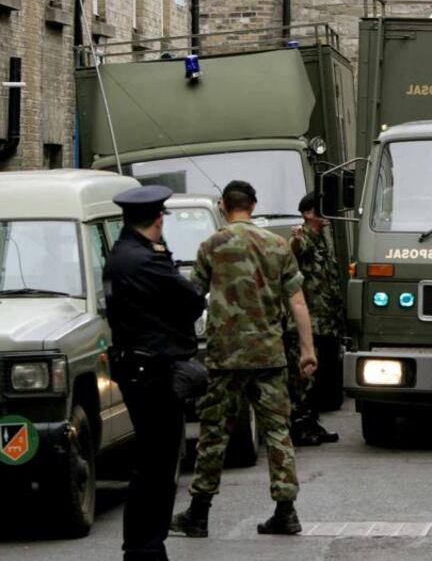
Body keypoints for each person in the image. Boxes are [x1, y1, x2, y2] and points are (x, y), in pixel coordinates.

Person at [171, 181, 318, 536]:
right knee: (278, 432)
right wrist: (308, 350)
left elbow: (194, 299)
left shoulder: (212, 246)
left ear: (223, 206)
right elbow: (296, 301)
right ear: (254, 205)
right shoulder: (278, 245)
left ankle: (199, 513)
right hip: (268, 354)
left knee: (214, 434)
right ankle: (286, 510)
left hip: (225, 358)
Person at [103, 185, 206, 561]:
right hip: (154, 372)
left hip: (138, 367)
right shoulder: (146, 261)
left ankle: (143, 545)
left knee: (151, 462)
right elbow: (192, 301)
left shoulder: (122, 255)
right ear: (158, 218)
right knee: (158, 467)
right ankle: (146, 547)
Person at [285, 192, 343, 446]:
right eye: (322, 209)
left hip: (325, 320)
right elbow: (294, 251)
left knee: (317, 378)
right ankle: (299, 426)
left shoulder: (321, 240)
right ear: (309, 213)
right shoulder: (305, 238)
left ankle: (312, 423)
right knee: (303, 379)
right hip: (308, 322)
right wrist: (297, 238)